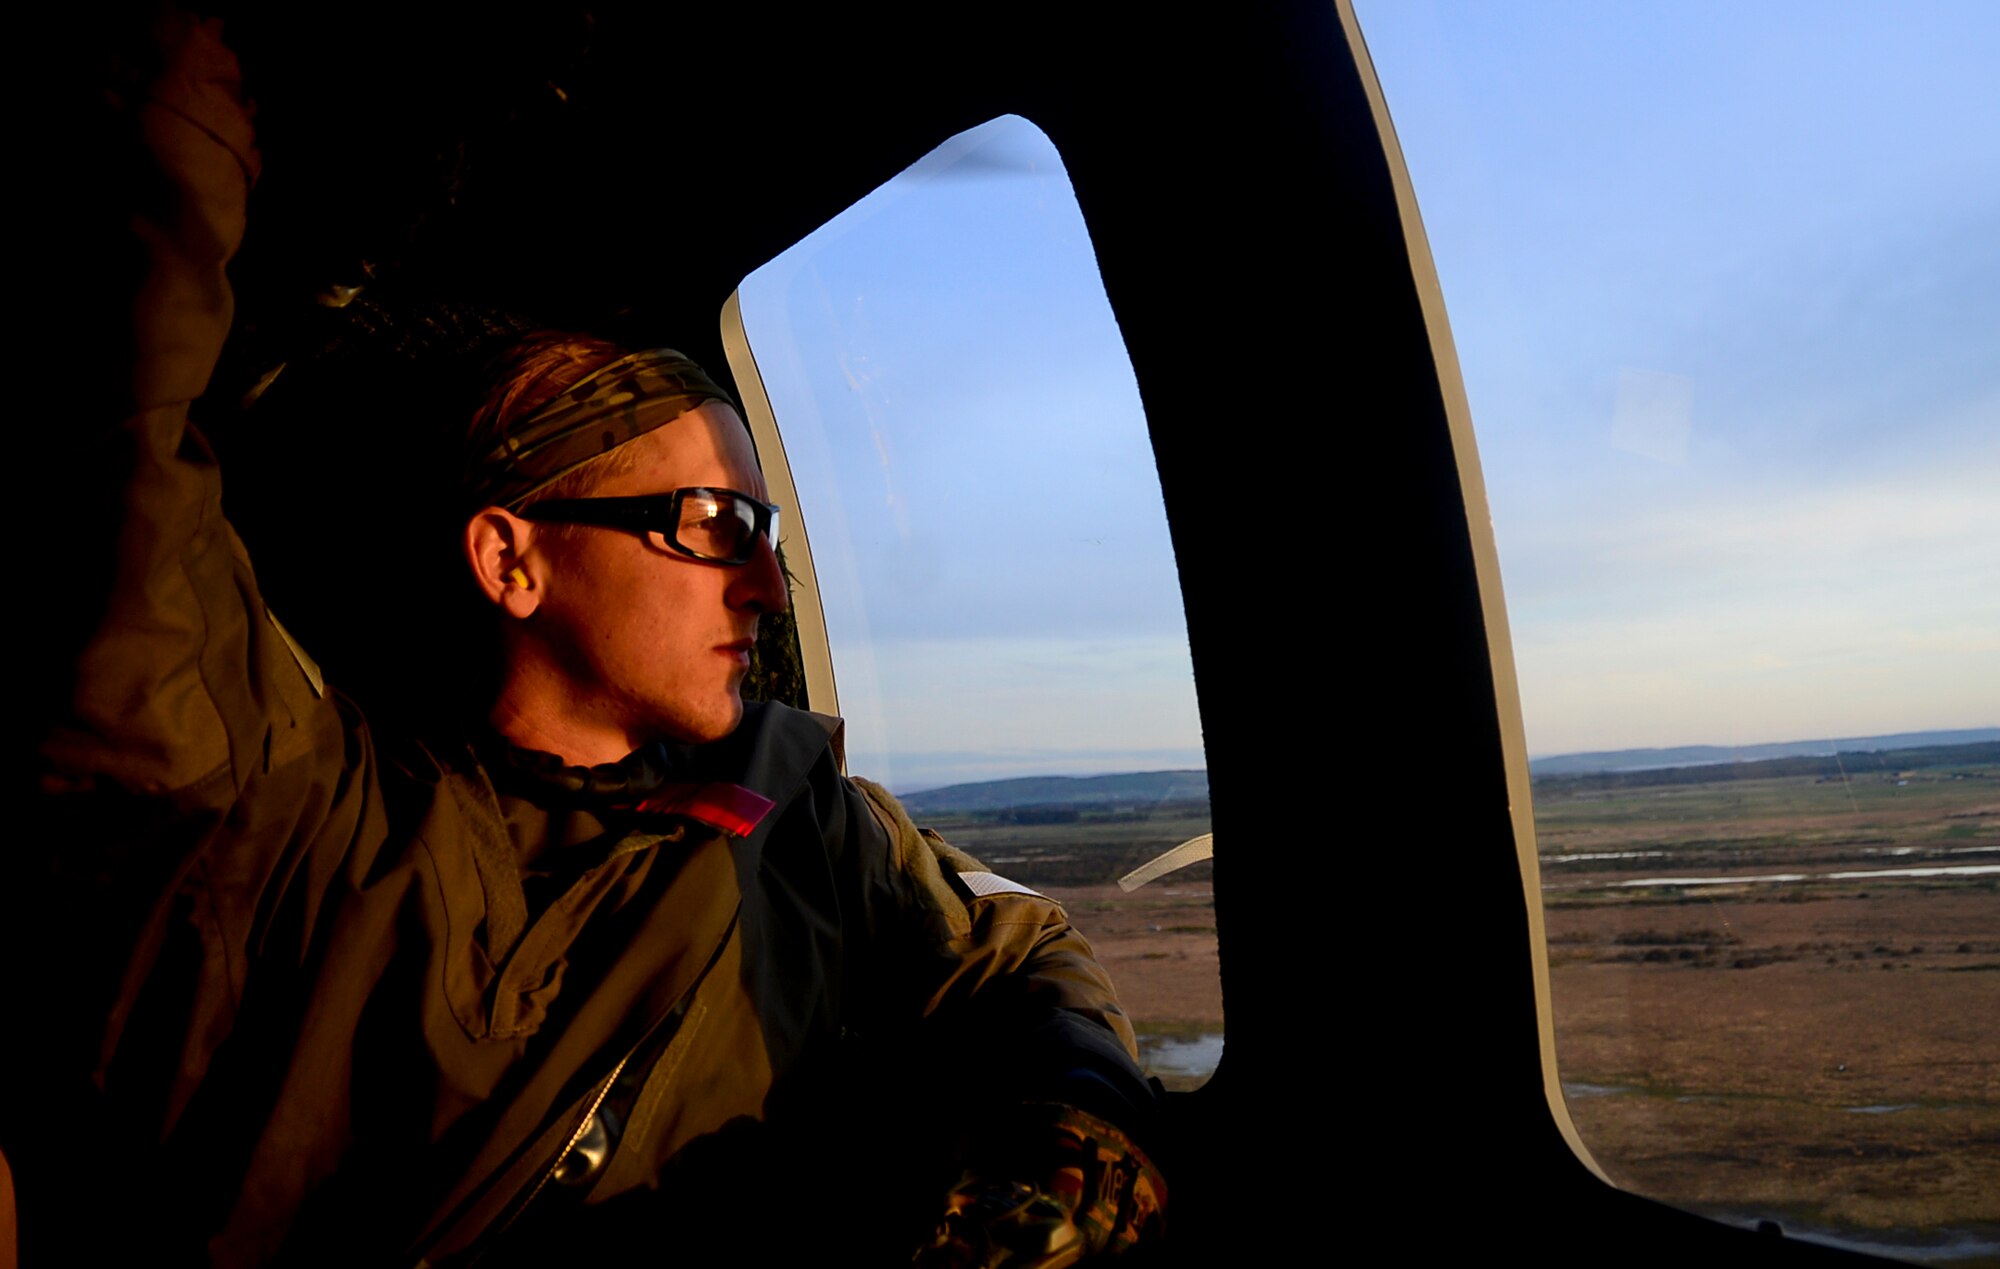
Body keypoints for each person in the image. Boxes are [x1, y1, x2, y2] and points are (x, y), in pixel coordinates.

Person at [14, 13, 1164, 1267]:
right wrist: (186, 87)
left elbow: (1018, 949)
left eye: (767, 534)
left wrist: (1079, 1130)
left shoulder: (803, 819)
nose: (766, 593)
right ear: (510, 560)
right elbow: (106, 447)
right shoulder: (290, 817)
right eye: (712, 527)